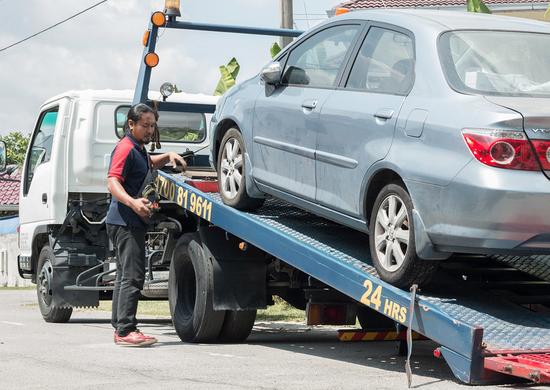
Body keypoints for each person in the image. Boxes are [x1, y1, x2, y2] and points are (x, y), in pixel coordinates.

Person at [106, 103, 186, 347]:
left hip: (127, 221)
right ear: (131, 124)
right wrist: (132, 203)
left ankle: (119, 325)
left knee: (123, 274)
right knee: (133, 275)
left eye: (153, 125)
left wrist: (168, 156)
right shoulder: (125, 148)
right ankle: (126, 330)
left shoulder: (138, 148)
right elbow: (112, 181)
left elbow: (148, 163)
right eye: (145, 125)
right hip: (126, 220)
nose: (150, 130)